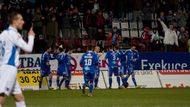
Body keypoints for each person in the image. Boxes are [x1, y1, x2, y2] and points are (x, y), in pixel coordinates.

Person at [0, 11, 35, 107]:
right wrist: (31, 37)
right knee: (2, 96)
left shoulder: (3, 34)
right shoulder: (14, 34)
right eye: (21, 19)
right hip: (9, 69)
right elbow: (28, 49)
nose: (23, 22)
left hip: (4, 67)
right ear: (14, 21)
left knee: (19, 97)